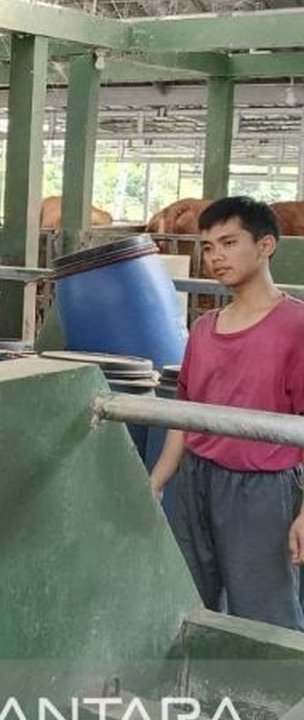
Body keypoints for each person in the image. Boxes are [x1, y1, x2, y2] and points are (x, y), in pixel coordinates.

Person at [149, 195, 304, 631]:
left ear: (267, 245)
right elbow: (187, 409)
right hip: (197, 478)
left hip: (261, 489)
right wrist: (159, 480)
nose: (216, 256)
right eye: (209, 246)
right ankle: (199, 694)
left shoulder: (296, 327)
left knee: (264, 609)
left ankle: (274, 698)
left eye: (229, 242)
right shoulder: (204, 328)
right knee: (189, 600)